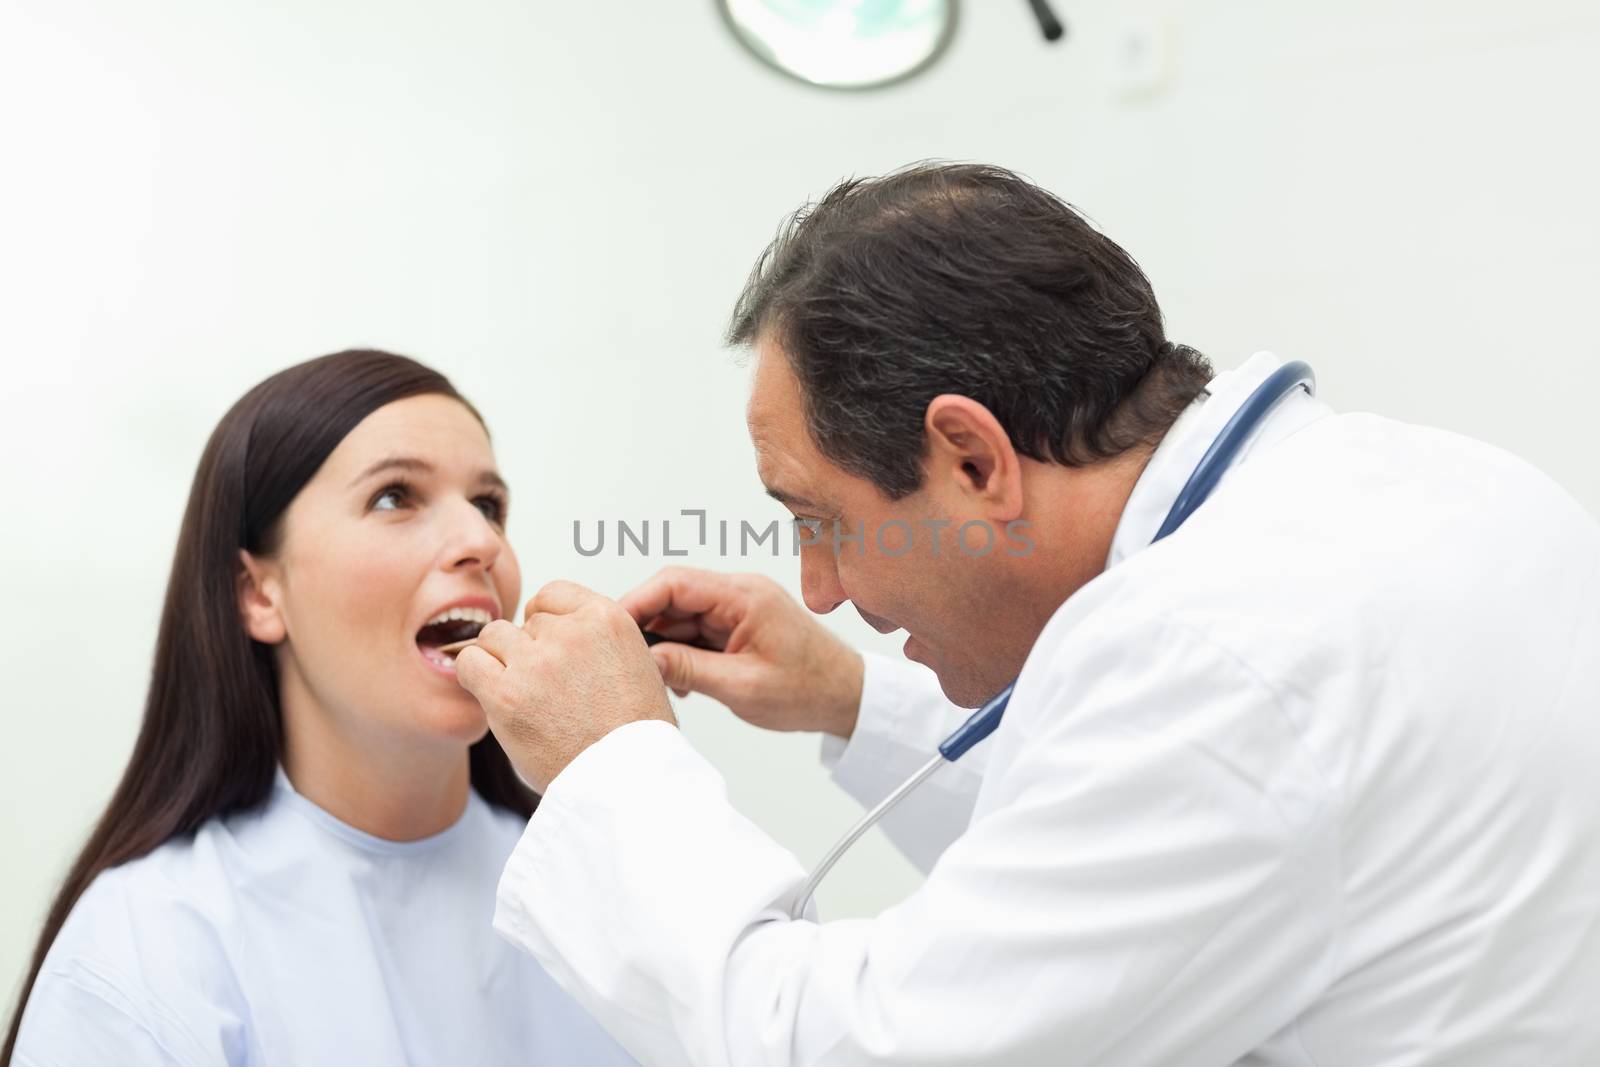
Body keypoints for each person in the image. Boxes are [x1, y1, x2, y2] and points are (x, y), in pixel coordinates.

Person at [457, 164, 1600, 1065]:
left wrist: (613, 763)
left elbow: (842, 1046)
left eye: (821, 518)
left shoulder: (1214, 650)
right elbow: (1152, 879)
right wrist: (851, 698)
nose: (819, 588)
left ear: (970, 456)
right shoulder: (1429, 488)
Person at [4, 350, 636, 1067]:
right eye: (395, 497)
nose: (482, 541)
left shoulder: (601, 894)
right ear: (258, 594)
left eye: (488, 505)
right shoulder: (141, 950)